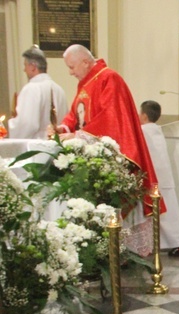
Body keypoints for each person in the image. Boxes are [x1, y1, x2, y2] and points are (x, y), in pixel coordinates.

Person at [55, 44, 160, 216]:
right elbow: (75, 115)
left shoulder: (108, 78)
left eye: (71, 67)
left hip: (112, 158)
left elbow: (110, 119)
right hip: (90, 156)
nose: (70, 73)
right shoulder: (85, 83)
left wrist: (77, 135)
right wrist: (63, 127)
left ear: (85, 62)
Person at [139, 100, 179, 256]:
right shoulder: (157, 129)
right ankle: (178, 243)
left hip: (152, 177)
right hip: (164, 176)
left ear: (144, 116)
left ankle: (149, 246)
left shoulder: (142, 130)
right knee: (170, 213)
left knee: (158, 213)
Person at [8, 46, 67, 140]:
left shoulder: (31, 89)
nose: (24, 70)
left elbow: (26, 124)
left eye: (25, 65)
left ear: (33, 66)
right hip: (56, 147)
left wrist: (8, 126)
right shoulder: (59, 89)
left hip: (35, 148)